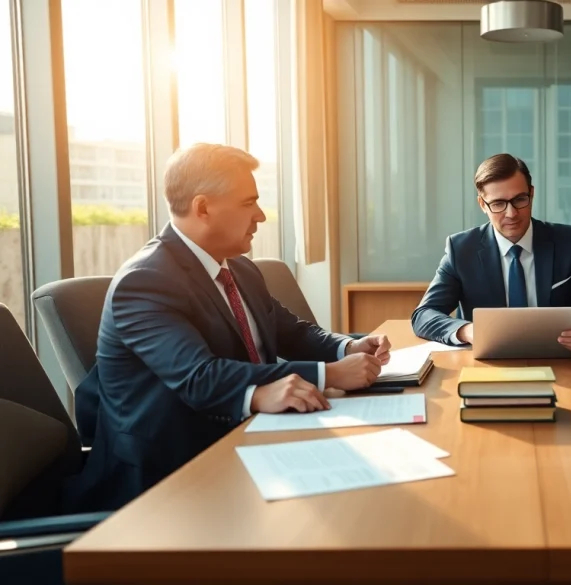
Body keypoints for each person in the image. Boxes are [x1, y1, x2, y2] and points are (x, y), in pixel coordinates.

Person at [67, 143, 390, 512]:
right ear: (203, 207)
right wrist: (329, 373)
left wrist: (348, 348)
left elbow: (291, 332)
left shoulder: (239, 268)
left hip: (246, 439)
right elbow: (199, 376)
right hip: (168, 478)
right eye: (248, 203)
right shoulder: (145, 281)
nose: (261, 216)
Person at [412, 154, 571, 352]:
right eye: (498, 203)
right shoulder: (461, 249)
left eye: (519, 200)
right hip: (487, 365)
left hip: (561, 360)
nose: (511, 213)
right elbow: (423, 315)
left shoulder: (569, 242)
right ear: (482, 204)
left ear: (531, 194)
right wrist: (468, 331)